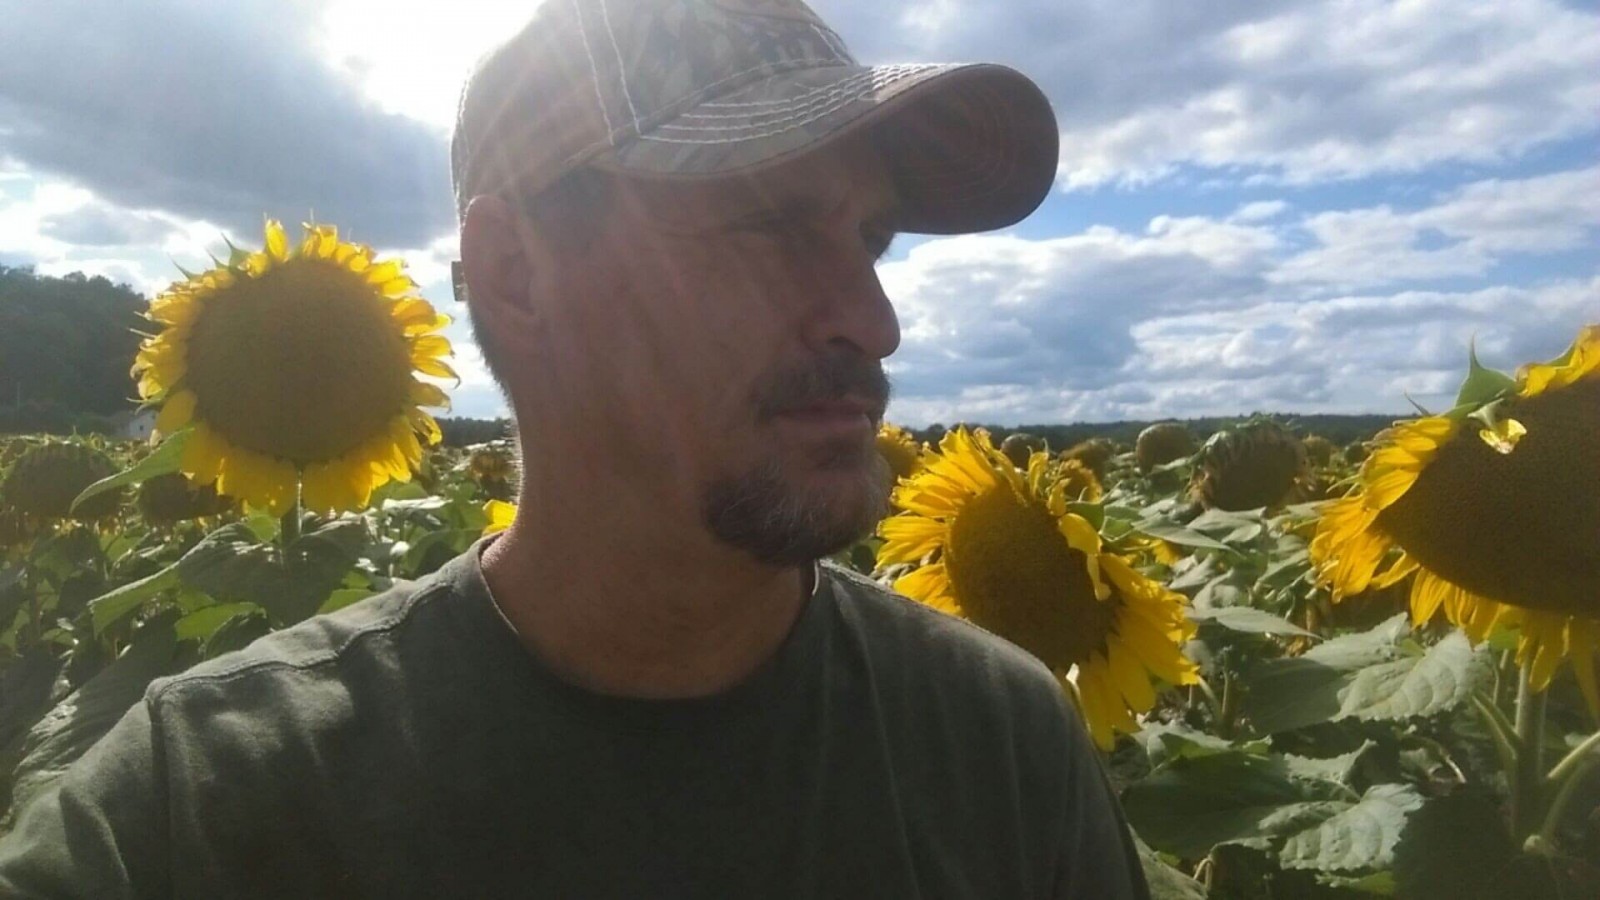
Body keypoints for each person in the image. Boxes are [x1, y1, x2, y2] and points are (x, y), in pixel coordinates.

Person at [0, 0, 1151, 896]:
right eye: (771, 224)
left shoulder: (1000, 748)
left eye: (869, 237)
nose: (872, 318)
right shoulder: (200, 806)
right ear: (514, 275)